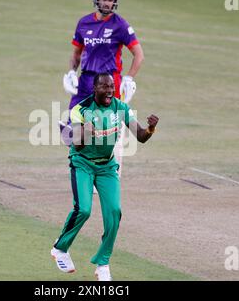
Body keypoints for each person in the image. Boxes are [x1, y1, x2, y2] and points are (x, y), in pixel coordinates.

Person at [51, 73, 159, 281]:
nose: (109, 90)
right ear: (94, 88)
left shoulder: (120, 108)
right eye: (104, 87)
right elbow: (78, 145)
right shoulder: (80, 110)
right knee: (83, 209)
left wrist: (151, 128)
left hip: (107, 167)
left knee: (114, 212)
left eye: (112, 87)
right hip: (82, 163)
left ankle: (103, 264)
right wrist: (86, 132)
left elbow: (141, 137)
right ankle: (60, 248)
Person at [61, 0, 144, 145]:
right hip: (86, 80)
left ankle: (108, 163)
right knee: (72, 125)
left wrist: (129, 78)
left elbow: (139, 55)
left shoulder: (120, 25)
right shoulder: (84, 23)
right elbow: (76, 54)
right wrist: (71, 72)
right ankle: (78, 158)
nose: (107, 3)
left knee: (108, 127)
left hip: (110, 81)